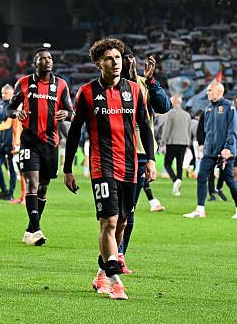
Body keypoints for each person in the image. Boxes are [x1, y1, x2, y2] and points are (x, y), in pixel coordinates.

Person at [64, 38, 157, 300]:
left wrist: (150, 159)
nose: (115, 62)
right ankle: (116, 282)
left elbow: (144, 126)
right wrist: (68, 168)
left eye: (118, 58)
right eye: (109, 58)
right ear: (98, 63)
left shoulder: (134, 90)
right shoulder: (86, 92)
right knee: (109, 220)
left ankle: (101, 273)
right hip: (102, 165)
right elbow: (74, 132)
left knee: (123, 222)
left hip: (129, 165)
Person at [8, 48, 73, 246]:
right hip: (29, 141)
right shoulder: (23, 83)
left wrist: (66, 114)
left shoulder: (61, 85)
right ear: (34, 63)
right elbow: (9, 108)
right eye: (42, 59)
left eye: (49, 58)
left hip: (51, 143)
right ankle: (37, 230)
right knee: (32, 183)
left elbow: (71, 111)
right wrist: (16, 113)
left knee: (43, 188)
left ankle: (30, 229)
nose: (47, 61)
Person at [116, 49, 170, 273]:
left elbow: (164, 107)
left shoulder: (144, 83)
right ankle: (111, 255)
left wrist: (152, 81)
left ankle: (119, 255)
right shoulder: (109, 86)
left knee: (128, 210)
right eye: (123, 59)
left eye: (130, 59)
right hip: (115, 153)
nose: (128, 63)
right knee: (113, 211)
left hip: (139, 154)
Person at [184, 82, 237, 219]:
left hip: (224, 152)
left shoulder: (229, 107)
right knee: (202, 176)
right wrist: (202, 144)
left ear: (219, 91)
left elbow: (232, 130)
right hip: (209, 152)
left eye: (209, 90)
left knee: (229, 180)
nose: (207, 93)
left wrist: (228, 148)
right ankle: (200, 210)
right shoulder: (207, 109)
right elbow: (203, 129)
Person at [162, 94, 192, 196]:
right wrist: (188, 143)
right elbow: (189, 130)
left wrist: (163, 143)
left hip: (172, 142)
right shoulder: (187, 115)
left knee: (167, 164)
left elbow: (166, 129)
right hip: (184, 142)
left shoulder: (170, 114)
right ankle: (177, 189)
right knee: (180, 165)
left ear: (172, 102)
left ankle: (175, 180)